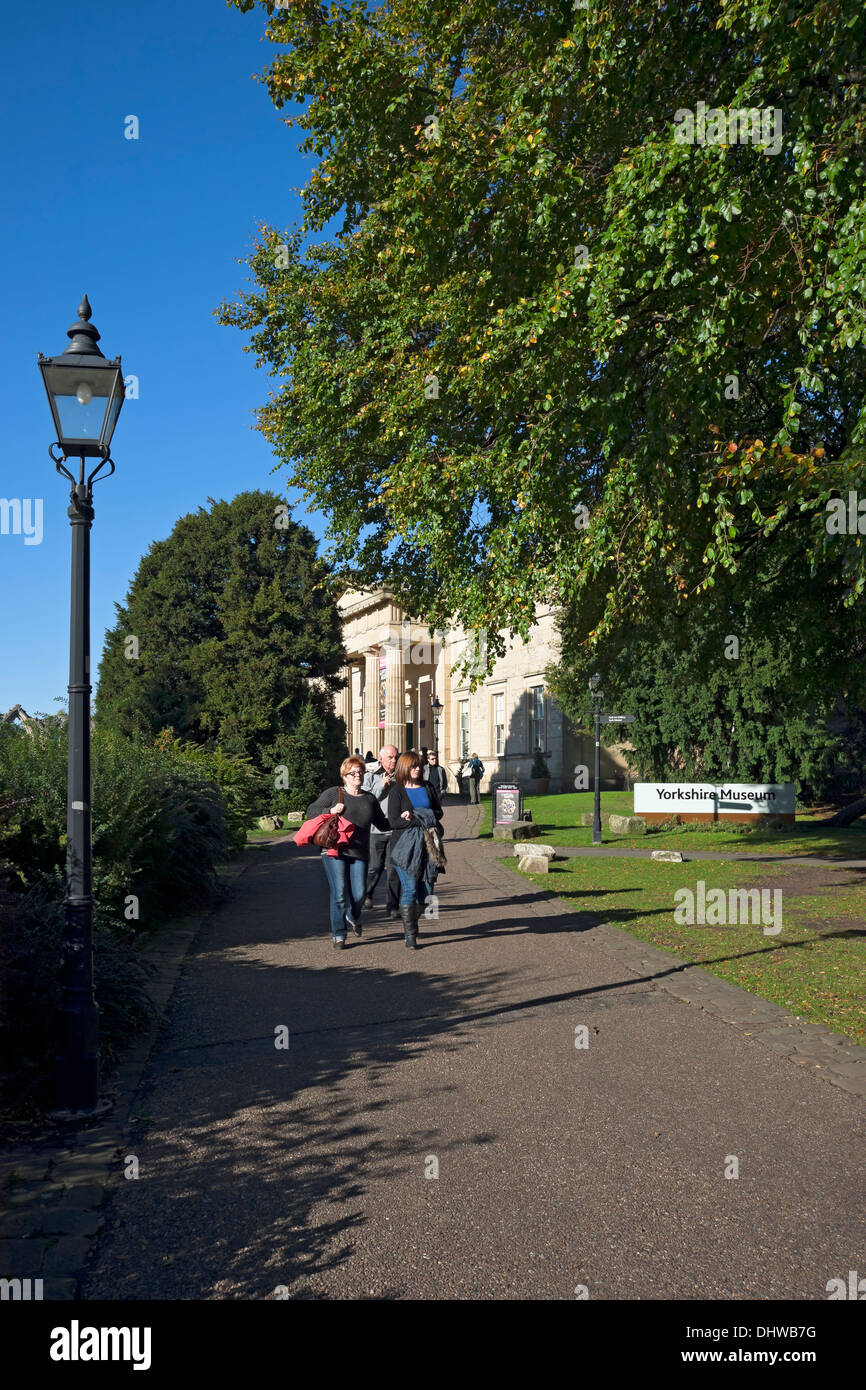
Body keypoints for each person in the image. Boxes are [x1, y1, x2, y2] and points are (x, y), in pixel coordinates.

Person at [306, 755, 389, 949]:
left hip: (360, 853)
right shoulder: (334, 793)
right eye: (353, 773)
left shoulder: (369, 799)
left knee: (360, 894)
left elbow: (383, 823)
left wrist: (403, 819)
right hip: (334, 851)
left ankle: (352, 916)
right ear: (344, 776)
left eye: (360, 772)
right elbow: (311, 810)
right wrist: (331, 809)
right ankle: (339, 934)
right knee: (340, 892)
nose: (357, 776)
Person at [387, 751, 444, 949]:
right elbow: (393, 821)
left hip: (428, 845)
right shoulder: (397, 790)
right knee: (410, 888)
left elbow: (438, 812)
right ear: (404, 767)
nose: (418, 769)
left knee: (427, 892)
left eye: (419, 765)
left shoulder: (427, 787)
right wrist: (411, 820)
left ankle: (412, 919)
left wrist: (417, 816)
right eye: (413, 766)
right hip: (405, 848)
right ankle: (410, 934)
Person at [362, 744, 400, 919]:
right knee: (375, 867)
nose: (394, 760)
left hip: (395, 829)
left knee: (393, 870)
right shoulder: (370, 777)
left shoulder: (400, 777)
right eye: (390, 757)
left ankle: (392, 906)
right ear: (381, 758)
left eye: (395, 757)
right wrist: (381, 786)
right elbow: (367, 802)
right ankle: (368, 893)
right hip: (376, 830)